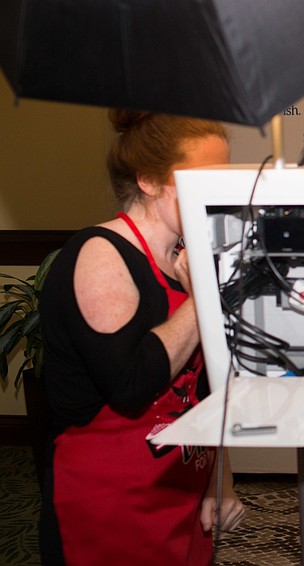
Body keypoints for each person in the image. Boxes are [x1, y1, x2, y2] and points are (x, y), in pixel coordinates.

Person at [38, 110, 245, 566]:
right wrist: (204, 298)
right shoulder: (98, 254)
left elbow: (206, 391)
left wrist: (220, 480)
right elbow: (132, 384)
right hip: (111, 503)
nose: (218, 194)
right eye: (200, 180)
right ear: (149, 181)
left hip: (183, 487)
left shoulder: (187, 259)